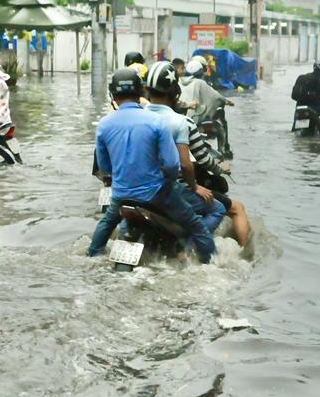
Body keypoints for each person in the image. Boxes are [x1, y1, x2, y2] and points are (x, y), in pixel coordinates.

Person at [87, 68, 218, 264]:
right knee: (196, 226)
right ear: (141, 92)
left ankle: (91, 257)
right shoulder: (157, 122)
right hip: (157, 194)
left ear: (113, 95)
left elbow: (105, 168)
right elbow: (173, 165)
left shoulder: (104, 125)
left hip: (122, 194)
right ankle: (212, 265)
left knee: (106, 223)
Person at [145, 61, 226, 234]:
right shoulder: (182, 123)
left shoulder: (135, 119)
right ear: (174, 93)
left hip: (137, 189)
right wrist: (219, 170)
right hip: (171, 190)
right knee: (219, 209)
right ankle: (191, 245)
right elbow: (192, 162)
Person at [185, 115, 251, 247]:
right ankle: (244, 253)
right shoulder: (182, 124)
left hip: (144, 191)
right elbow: (201, 160)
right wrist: (220, 169)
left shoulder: (149, 122)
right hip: (179, 189)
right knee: (236, 208)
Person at [291, 61, 320, 134]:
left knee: (295, 131)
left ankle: (295, 129)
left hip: (300, 107)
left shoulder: (301, 78)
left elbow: (293, 96)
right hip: (315, 108)